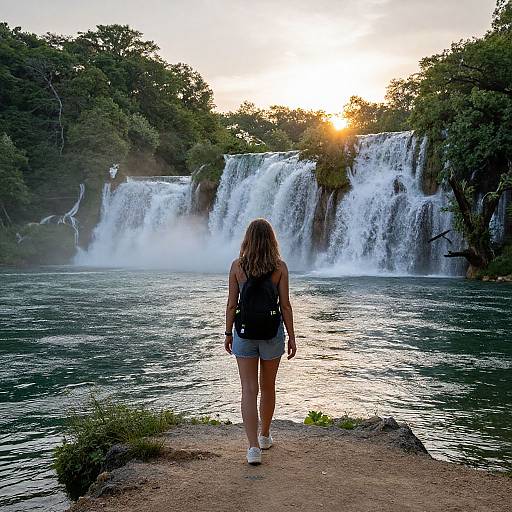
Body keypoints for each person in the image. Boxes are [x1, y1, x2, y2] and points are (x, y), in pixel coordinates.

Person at [224, 218, 296, 465]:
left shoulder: (237, 266)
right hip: (272, 334)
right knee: (268, 387)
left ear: (248, 240)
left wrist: (227, 333)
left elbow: (232, 304)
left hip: (243, 334)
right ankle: (264, 435)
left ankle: (253, 448)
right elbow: (285, 305)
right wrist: (292, 337)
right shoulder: (280, 267)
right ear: (271, 241)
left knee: (248, 390)